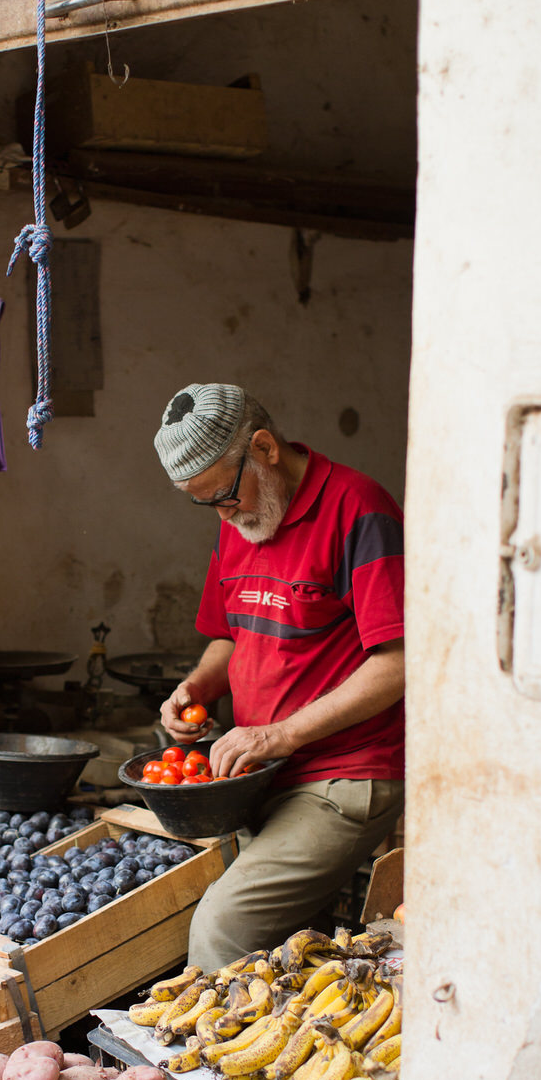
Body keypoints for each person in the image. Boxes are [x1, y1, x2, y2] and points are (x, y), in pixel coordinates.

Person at [153, 382, 405, 972]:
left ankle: (208, 1064)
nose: (222, 513)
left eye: (222, 495)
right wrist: (197, 689)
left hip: (342, 777)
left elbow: (398, 665)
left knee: (220, 927)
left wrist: (277, 736)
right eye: (205, 504)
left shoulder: (359, 510)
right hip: (260, 774)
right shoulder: (241, 517)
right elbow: (228, 635)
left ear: (264, 448)